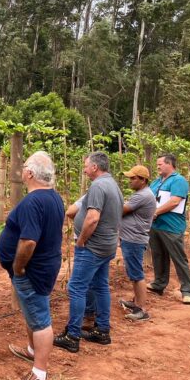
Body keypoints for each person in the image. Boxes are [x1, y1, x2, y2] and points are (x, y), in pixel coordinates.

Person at [0, 152, 64, 380]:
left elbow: (28, 242)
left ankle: (39, 374)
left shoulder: (33, 202)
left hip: (32, 271)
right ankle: (32, 350)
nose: (22, 170)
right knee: (33, 313)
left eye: (24, 166)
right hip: (44, 266)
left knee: (41, 321)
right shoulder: (53, 197)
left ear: (30, 173)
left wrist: (18, 266)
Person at [54, 151, 123, 353]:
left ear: (94, 167)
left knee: (76, 287)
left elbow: (92, 218)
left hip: (93, 246)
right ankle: (102, 331)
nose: (84, 170)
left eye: (85, 166)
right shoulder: (113, 184)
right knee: (100, 286)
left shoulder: (98, 186)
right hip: (107, 245)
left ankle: (72, 335)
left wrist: (82, 241)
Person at [147, 154, 190, 304]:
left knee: (178, 258)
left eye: (160, 164)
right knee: (158, 255)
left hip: (171, 226)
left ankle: (187, 291)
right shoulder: (156, 182)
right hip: (155, 226)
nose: (157, 166)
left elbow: (175, 201)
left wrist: (155, 212)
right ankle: (159, 284)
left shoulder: (178, 180)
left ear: (169, 164)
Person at [118, 165, 156, 321]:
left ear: (143, 180)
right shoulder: (142, 194)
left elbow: (120, 210)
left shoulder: (142, 196)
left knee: (137, 274)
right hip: (131, 239)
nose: (130, 181)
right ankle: (137, 302)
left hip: (133, 240)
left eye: (133, 178)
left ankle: (141, 310)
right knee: (134, 273)